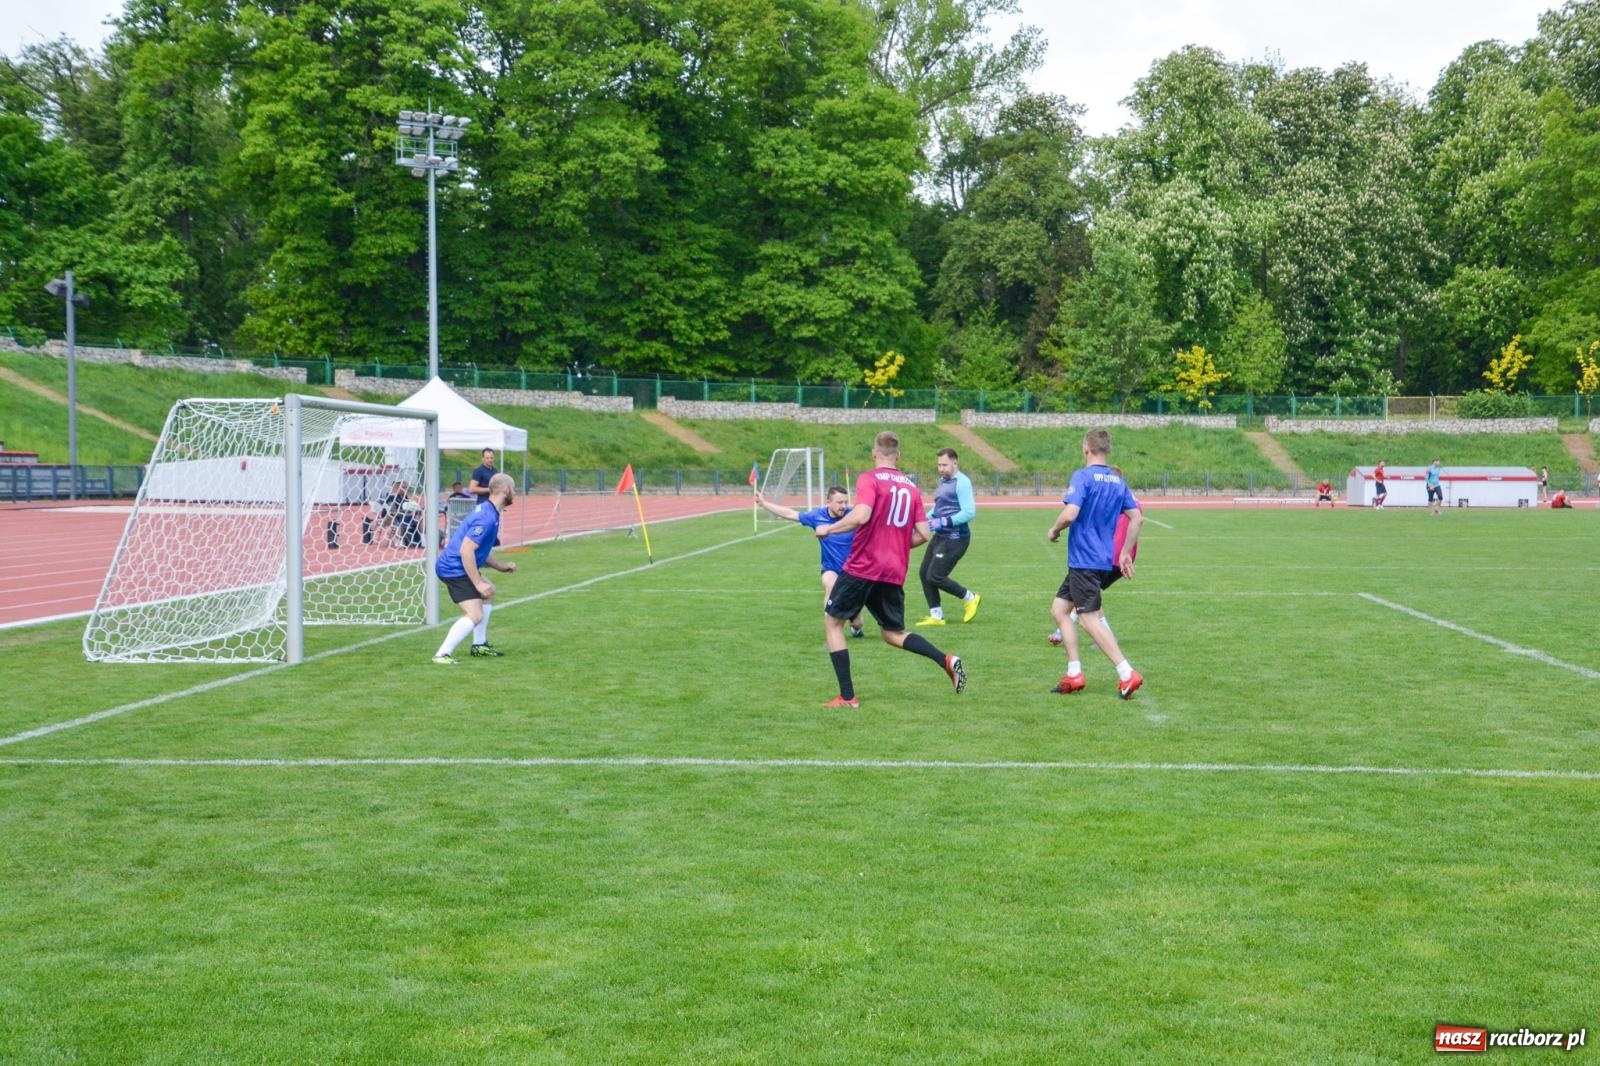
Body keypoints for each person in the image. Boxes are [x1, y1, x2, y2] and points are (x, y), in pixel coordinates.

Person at [812, 431, 965, 708]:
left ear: (874, 453)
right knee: (892, 633)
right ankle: (945, 660)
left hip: (863, 566)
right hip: (893, 570)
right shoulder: (910, 487)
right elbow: (923, 533)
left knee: (833, 622)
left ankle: (847, 697)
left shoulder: (869, 479)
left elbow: (861, 515)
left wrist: (829, 529)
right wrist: (895, 547)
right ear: (899, 455)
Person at [1047, 429, 1144, 699]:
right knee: (1059, 610)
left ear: (1086, 448)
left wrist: (1054, 530)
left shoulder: (1082, 476)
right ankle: (1074, 672)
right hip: (1099, 559)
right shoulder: (1117, 481)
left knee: (1089, 620)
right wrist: (1125, 553)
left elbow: (1070, 513)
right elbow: (1137, 518)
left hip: (1084, 559)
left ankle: (1126, 673)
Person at [754, 485, 865, 638]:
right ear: (828, 501)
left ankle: (856, 628)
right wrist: (764, 503)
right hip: (830, 568)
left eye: (846, 502)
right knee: (830, 585)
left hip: (852, 571)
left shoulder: (853, 516)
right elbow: (791, 513)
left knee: (857, 621)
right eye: (839, 502)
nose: (843, 506)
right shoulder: (817, 516)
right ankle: (831, 627)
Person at [432, 471, 518, 664]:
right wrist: (477, 582)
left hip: (458, 564)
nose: (515, 493)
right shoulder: (486, 517)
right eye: (513, 489)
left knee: (489, 593)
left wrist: (501, 567)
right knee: (475, 614)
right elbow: (466, 551)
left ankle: (479, 646)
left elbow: (481, 552)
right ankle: (442, 654)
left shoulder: (490, 511)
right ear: (505, 490)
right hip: (454, 568)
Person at [1049, 465, 1138, 647]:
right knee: (1083, 596)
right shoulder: (1126, 500)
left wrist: (1123, 554)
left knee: (1084, 600)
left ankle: (1122, 665)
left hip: (1102, 557)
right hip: (1107, 557)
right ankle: (1069, 646)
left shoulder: (1117, 500)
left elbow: (1072, 515)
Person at [915, 448, 980, 626]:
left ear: (954, 463)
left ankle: (970, 597)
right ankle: (936, 616)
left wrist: (942, 522)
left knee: (935, 576)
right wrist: (920, 521)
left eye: (944, 464)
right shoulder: (943, 481)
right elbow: (937, 510)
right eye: (939, 465)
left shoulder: (963, 483)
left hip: (956, 537)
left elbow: (969, 513)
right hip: (941, 536)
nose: (941, 468)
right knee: (923, 573)